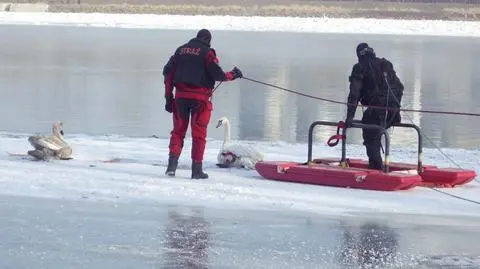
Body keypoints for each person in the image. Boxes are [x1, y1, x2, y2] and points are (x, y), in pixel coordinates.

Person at [162, 29, 243, 179]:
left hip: (180, 98)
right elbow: (218, 75)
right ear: (208, 41)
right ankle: (196, 170)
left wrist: (168, 98)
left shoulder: (180, 51)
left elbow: (168, 73)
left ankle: (171, 167)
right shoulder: (207, 53)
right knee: (199, 135)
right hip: (200, 101)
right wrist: (233, 74)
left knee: (178, 132)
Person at [344, 43, 404, 170]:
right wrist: (396, 112)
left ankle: (377, 170)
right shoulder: (385, 64)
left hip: (376, 111)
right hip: (392, 110)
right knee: (375, 137)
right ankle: (376, 167)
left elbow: (354, 94)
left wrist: (349, 117)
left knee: (371, 139)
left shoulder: (360, 67)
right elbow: (399, 88)